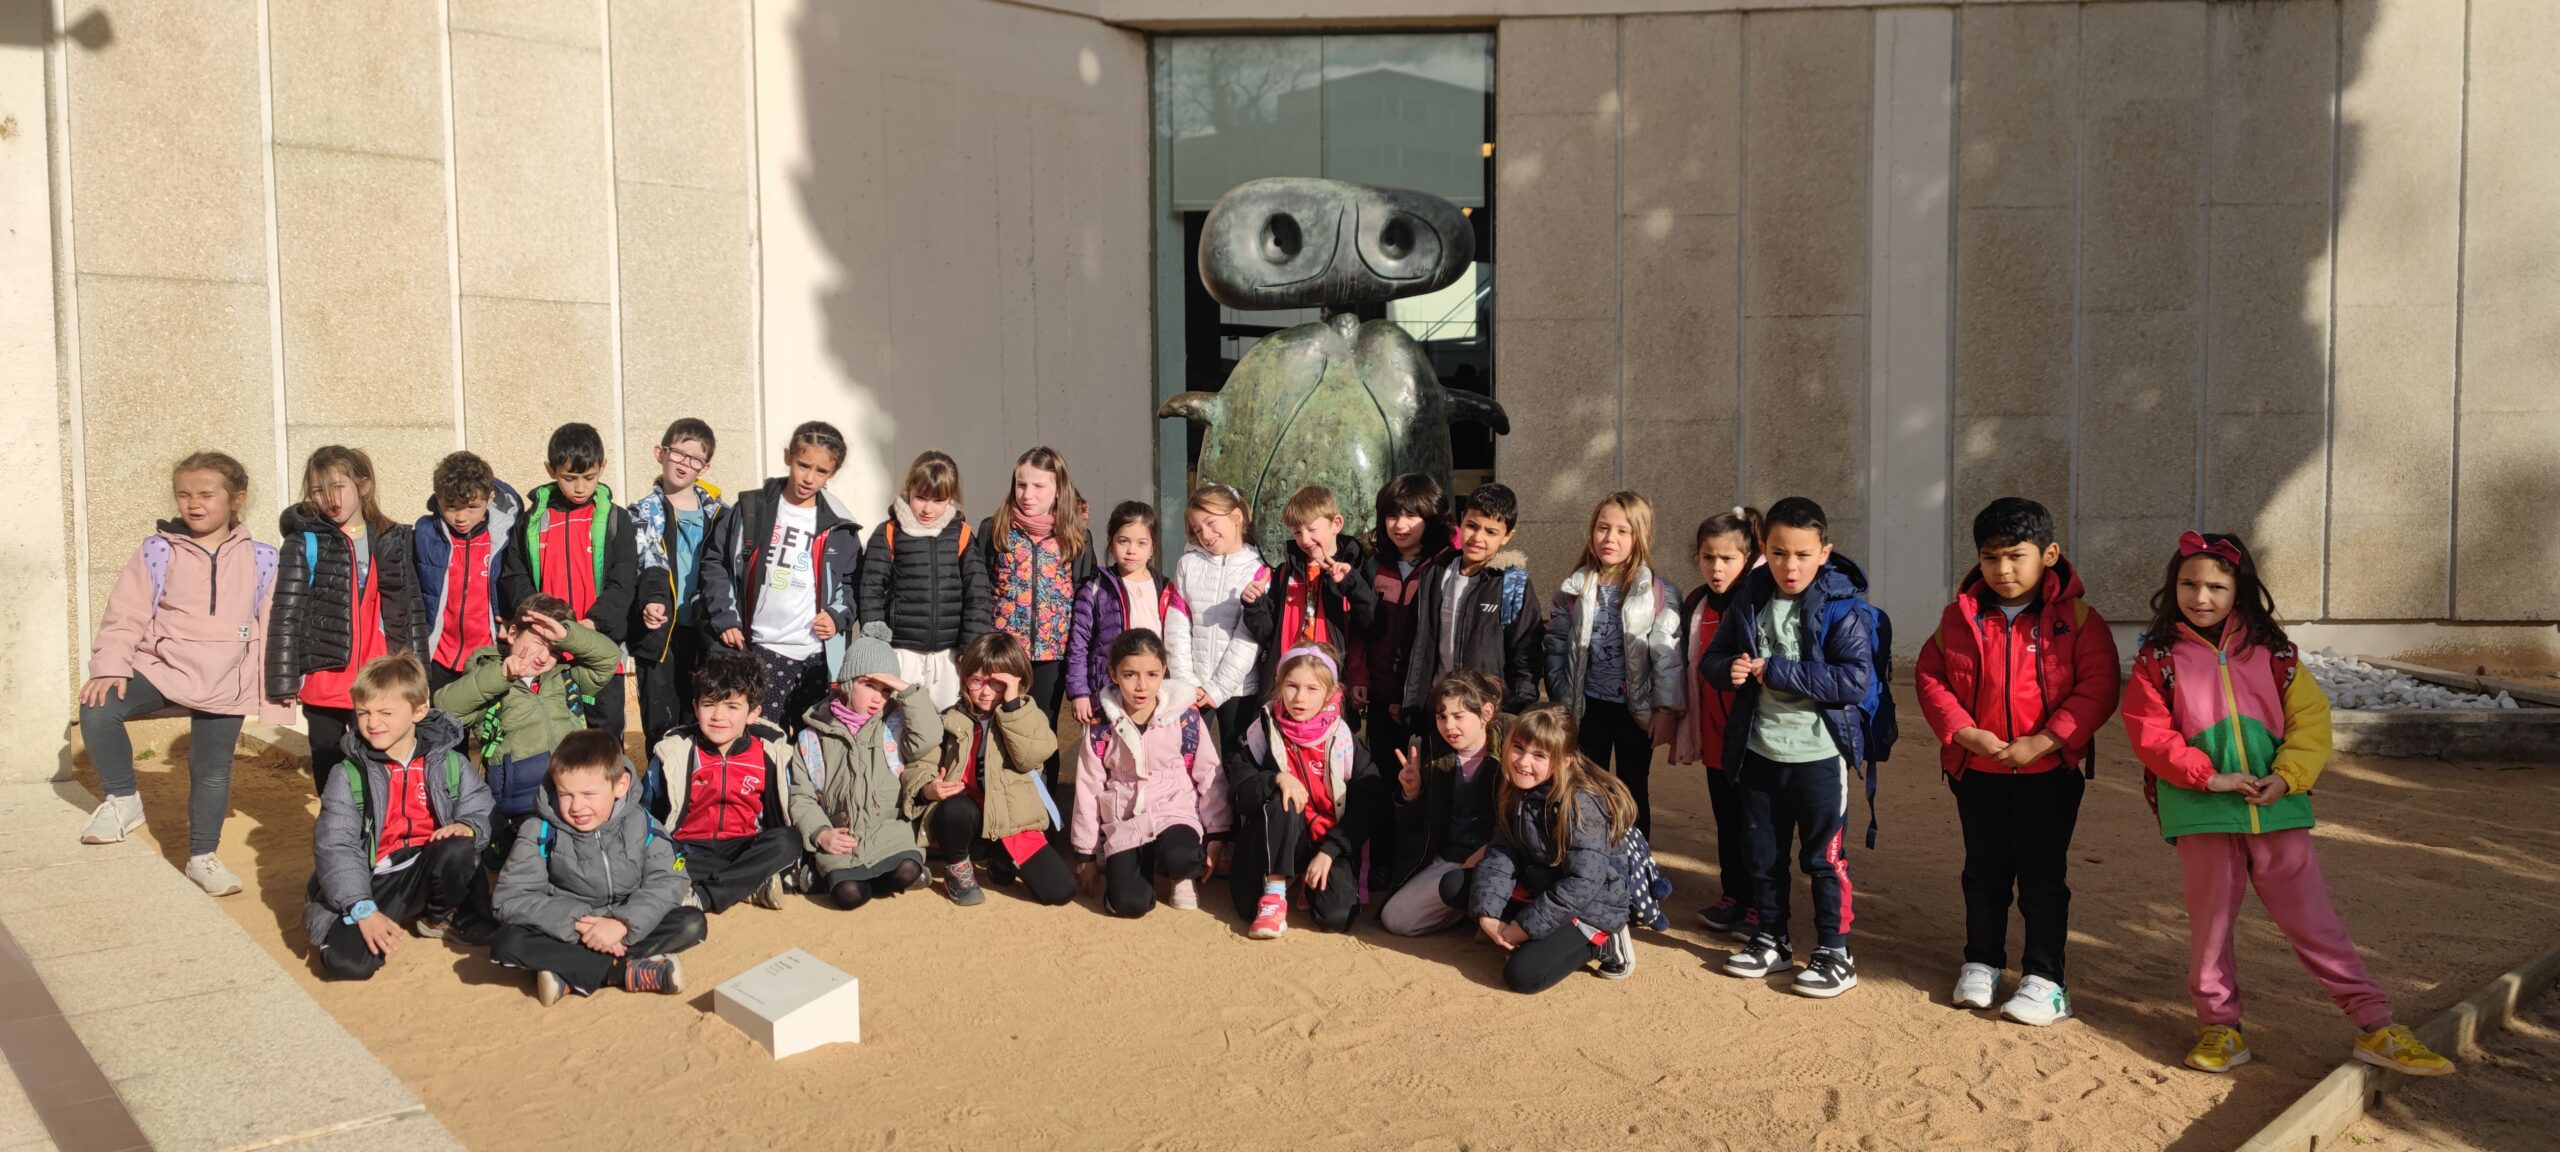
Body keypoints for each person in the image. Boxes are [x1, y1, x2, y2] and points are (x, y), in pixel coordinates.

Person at [2121, 532, 2454, 1077]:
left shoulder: (2276, 655)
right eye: (2188, 584)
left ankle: (2375, 1025)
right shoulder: (2156, 660)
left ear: (2240, 589)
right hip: (2202, 813)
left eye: (2216, 586)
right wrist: (2209, 778)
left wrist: (2286, 777)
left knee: (2315, 922)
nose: (2200, 597)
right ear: (2172, 586)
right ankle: (2220, 1028)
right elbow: (2149, 732)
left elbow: (2311, 723)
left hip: (2279, 809)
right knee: (2211, 928)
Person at [1914, 497, 2121, 1027]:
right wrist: (1965, 733)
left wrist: (2047, 740)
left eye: (2015, 556)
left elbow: (2097, 688)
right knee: (1983, 872)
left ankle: (2045, 978)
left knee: (2042, 877)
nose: (2002, 570)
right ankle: (1981, 961)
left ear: (2048, 554)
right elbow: (1932, 678)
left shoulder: (2078, 620)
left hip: (2049, 775)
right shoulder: (1958, 618)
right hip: (1977, 773)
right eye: (1990, 558)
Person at [79, 452, 287, 895]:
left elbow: (274, 632)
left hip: (226, 679)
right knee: (97, 706)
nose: (194, 504)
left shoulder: (263, 559)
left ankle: (202, 858)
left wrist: (277, 695)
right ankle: (123, 799)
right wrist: (109, 666)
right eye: (184, 494)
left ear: (236, 498)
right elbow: (124, 615)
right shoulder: (158, 550)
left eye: (206, 494)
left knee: (210, 771)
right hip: (161, 668)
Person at [1700, 497, 1874, 999]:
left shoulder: (1842, 606)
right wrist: (1729, 669)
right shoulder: (1749, 597)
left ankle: (1835, 952)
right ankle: (1771, 939)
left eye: (1802, 554)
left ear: (1825, 553)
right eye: (1778, 553)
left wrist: (1777, 670)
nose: (1789, 566)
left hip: (1819, 756)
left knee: (1823, 859)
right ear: (1764, 549)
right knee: (1764, 854)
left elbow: (1853, 681)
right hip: (1759, 751)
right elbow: (1713, 659)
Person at [303, 654, 495, 981]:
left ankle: (439, 916)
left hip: (428, 867)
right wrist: (361, 907)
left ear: (418, 710)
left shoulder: (449, 763)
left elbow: (480, 807)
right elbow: (336, 845)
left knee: (458, 845)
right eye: (363, 712)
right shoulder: (347, 774)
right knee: (346, 964)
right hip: (376, 878)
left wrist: (467, 826)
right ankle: (374, 913)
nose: (372, 723)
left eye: (385, 713)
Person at [491, 729, 704, 1005]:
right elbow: (509, 898)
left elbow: (670, 879)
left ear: (620, 785)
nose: (576, 806)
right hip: (571, 928)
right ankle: (622, 972)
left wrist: (621, 923)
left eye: (589, 794)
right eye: (565, 794)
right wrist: (579, 924)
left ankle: (569, 972)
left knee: (691, 923)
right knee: (508, 941)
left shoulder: (642, 821)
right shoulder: (539, 829)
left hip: (625, 922)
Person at [269, 445, 429, 790]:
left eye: (338, 487)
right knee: (327, 761)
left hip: (377, 679)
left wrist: (419, 676)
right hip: (324, 678)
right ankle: (335, 820)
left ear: (363, 486)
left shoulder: (392, 538)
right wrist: (283, 680)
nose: (329, 498)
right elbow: (286, 614)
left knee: (377, 763)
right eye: (317, 490)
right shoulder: (304, 542)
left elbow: (411, 611)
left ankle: (374, 822)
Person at [699, 421, 864, 730]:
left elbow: (851, 583)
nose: (809, 478)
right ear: (788, 456)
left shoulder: (841, 526)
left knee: (810, 745)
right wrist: (726, 617)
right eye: (803, 465)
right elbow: (716, 562)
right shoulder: (751, 509)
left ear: (833, 473)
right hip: (759, 647)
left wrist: (837, 615)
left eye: (821, 471)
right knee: (760, 739)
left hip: (815, 656)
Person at [1466, 704, 1638, 993]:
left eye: (1539, 756)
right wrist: (1488, 916)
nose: (1523, 762)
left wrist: (1523, 928)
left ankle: (1603, 942)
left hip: (1592, 903)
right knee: (1456, 886)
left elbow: (1583, 882)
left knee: (1521, 975)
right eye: (1518, 748)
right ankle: (1526, 932)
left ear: (1564, 761)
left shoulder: (1582, 804)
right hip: (1543, 882)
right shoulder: (1516, 788)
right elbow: (1501, 852)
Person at [1543, 490, 1683, 836]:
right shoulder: (1573, 588)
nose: (1610, 538)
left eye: (1623, 531)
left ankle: (1635, 857)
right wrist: (1562, 699)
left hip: (1634, 711)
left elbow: (1667, 655)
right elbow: (1556, 646)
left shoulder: (1659, 592)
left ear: (1640, 536)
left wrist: (1665, 709)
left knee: (1632, 787)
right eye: (1603, 528)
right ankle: (1589, 855)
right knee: (1585, 786)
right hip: (1587, 707)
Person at [903, 632, 1075, 907]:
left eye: (997, 683)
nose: (985, 692)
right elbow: (922, 763)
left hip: (1011, 820)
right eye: (977, 681)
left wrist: (1012, 706)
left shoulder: (1026, 714)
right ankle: (958, 867)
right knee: (954, 809)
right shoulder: (950, 718)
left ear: (1017, 681)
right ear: (964, 679)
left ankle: (1000, 857)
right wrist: (927, 788)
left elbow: (1031, 758)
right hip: (965, 816)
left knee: (1060, 890)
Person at [1070, 629, 1227, 918]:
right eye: (1130, 675)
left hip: (1175, 810)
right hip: (1125, 817)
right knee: (1129, 905)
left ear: (1164, 672)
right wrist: (1086, 853)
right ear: (1114, 674)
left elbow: (1209, 772)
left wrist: (1218, 831)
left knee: (1181, 855)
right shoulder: (1101, 725)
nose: (1142, 686)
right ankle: (1137, 859)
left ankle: (1181, 874)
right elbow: (1088, 788)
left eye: (1152, 675)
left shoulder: (1185, 717)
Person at [1228, 642, 1380, 938]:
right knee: (1248, 907)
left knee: (1335, 917)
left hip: (1325, 839)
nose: (1300, 698)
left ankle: (1301, 880)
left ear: (1330, 693)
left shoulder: (1344, 740)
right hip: (1274, 836)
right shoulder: (1262, 730)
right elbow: (1238, 790)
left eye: (1312, 689)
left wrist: (1330, 851)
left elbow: (1368, 805)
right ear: (1279, 686)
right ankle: (1275, 891)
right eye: (1292, 686)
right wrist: (1275, 779)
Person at [431, 594, 621, 828]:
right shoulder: (489, 678)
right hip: (521, 802)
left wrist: (567, 636)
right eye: (538, 642)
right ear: (512, 633)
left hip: (574, 792)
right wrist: (501, 676)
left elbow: (609, 658)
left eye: (554, 649)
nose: (544, 657)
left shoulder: (565, 676)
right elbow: (446, 706)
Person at [498, 423, 638, 737]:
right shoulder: (532, 521)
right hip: (546, 648)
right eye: (569, 478)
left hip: (599, 646)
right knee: (552, 732)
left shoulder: (616, 520)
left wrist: (595, 622)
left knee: (604, 735)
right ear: (551, 470)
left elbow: (624, 579)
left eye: (589, 477)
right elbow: (515, 575)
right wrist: (535, 619)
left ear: (602, 466)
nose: (579, 487)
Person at [651, 647, 803, 913]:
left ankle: (703, 897)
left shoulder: (770, 753)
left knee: (788, 841)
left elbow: (787, 811)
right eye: (709, 704)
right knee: (664, 865)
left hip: (745, 847)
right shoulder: (674, 752)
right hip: (689, 850)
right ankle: (749, 885)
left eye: (732, 706)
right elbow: (645, 810)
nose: (718, 716)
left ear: (753, 713)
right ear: (696, 707)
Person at [788, 635, 934, 910]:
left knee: (906, 871)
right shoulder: (813, 735)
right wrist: (821, 834)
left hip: (889, 831)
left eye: (886, 690)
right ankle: (833, 875)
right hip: (841, 836)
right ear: (847, 682)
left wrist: (906, 690)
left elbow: (928, 737)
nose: (878, 698)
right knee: (850, 895)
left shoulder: (895, 724)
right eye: (869, 685)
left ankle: (869, 876)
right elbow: (802, 796)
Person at [1670, 507, 1762, 940]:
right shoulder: (1697, 603)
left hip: (1755, 738)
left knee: (1757, 823)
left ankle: (1762, 904)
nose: (1716, 568)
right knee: (1727, 820)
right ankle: (1734, 895)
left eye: (1727, 558)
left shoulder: (1759, 601)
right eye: (1708, 557)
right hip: (1714, 737)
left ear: (1748, 557)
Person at [983, 446, 1094, 786]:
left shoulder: (1076, 536)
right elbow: (981, 588)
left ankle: (1045, 810)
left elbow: (1084, 599)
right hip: (1005, 653)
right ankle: (1000, 806)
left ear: (1059, 490)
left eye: (1038, 486)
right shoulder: (995, 529)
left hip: (1052, 656)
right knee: (999, 728)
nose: (1027, 494)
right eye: (1021, 485)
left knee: (1043, 731)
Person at [1378, 671, 1508, 937]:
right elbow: (1414, 827)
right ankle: (1471, 906)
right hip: (1449, 861)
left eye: (1459, 716)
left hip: (1500, 860)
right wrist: (1412, 793)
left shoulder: (1512, 752)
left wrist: (1487, 852)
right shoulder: (1436, 755)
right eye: (1442, 717)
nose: (1449, 726)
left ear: (1486, 712)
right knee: (1396, 919)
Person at [859, 449, 991, 712]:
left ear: (951, 498)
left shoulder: (962, 535)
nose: (928, 509)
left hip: (949, 657)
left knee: (948, 722)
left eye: (938, 500)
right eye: (920, 498)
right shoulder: (889, 532)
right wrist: (877, 642)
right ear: (909, 490)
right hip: (901, 653)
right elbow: (870, 588)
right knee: (899, 721)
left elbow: (978, 593)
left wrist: (970, 647)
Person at [1401, 482, 1542, 726]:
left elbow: (1526, 656)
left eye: (1491, 532)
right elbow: (1415, 641)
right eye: (1472, 526)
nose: (1478, 538)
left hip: (1486, 714)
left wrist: (1517, 710)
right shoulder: (1435, 573)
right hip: (1439, 710)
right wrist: (1407, 698)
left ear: (1507, 536)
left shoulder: (1512, 585)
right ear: (1462, 520)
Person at [629, 418, 728, 750]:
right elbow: (643, 566)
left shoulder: (722, 515)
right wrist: (647, 603)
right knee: (662, 725)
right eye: (678, 453)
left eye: (695, 459)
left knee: (705, 717)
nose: (685, 463)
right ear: (660, 453)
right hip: (660, 636)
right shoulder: (641, 513)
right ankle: (661, 782)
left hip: (707, 633)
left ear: (705, 467)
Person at [1356, 473, 1450, 798]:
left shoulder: (1445, 567)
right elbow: (1360, 631)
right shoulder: (1373, 566)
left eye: (1412, 515)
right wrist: (1359, 677)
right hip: (1381, 697)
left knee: (1430, 785)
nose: (1400, 525)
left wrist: (1412, 696)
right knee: (1384, 780)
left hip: (1428, 701)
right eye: (1392, 515)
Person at [1067, 501, 1193, 730]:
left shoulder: (1165, 589)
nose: (1131, 550)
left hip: (1153, 692)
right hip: (1107, 693)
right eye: (1123, 541)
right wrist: (1080, 692)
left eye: (1141, 543)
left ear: (1152, 547)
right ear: (1111, 542)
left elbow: (1178, 640)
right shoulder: (1096, 587)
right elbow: (1078, 643)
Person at [1174, 483, 1269, 759]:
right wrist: (1186, 683)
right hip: (1192, 686)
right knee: (1186, 759)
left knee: (1236, 760)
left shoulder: (1258, 569)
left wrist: (1218, 689)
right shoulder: (1187, 565)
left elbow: (1247, 638)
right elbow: (1177, 627)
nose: (1205, 534)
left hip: (1238, 688)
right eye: (1197, 529)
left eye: (1211, 523)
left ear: (1236, 517)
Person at [414, 451, 520, 696]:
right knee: (441, 718)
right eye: (451, 506)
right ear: (438, 499)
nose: (461, 517)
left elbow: (519, 582)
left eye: (472, 507)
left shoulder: (506, 537)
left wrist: (515, 618)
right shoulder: (424, 534)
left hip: (489, 655)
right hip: (438, 656)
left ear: (490, 498)